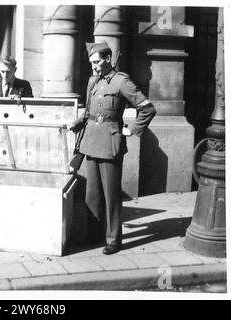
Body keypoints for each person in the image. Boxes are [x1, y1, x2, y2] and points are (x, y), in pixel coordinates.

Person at [69, 42, 156, 255]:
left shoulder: (121, 82)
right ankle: (93, 235)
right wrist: (79, 121)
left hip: (110, 143)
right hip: (91, 141)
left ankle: (113, 240)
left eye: (97, 62)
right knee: (92, 194)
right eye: (91, 63)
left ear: (108, 59)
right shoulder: (92, 81)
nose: (94, 67)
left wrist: (132, 130)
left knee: (111, 195)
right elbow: (90, 111)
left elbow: (147, 108)